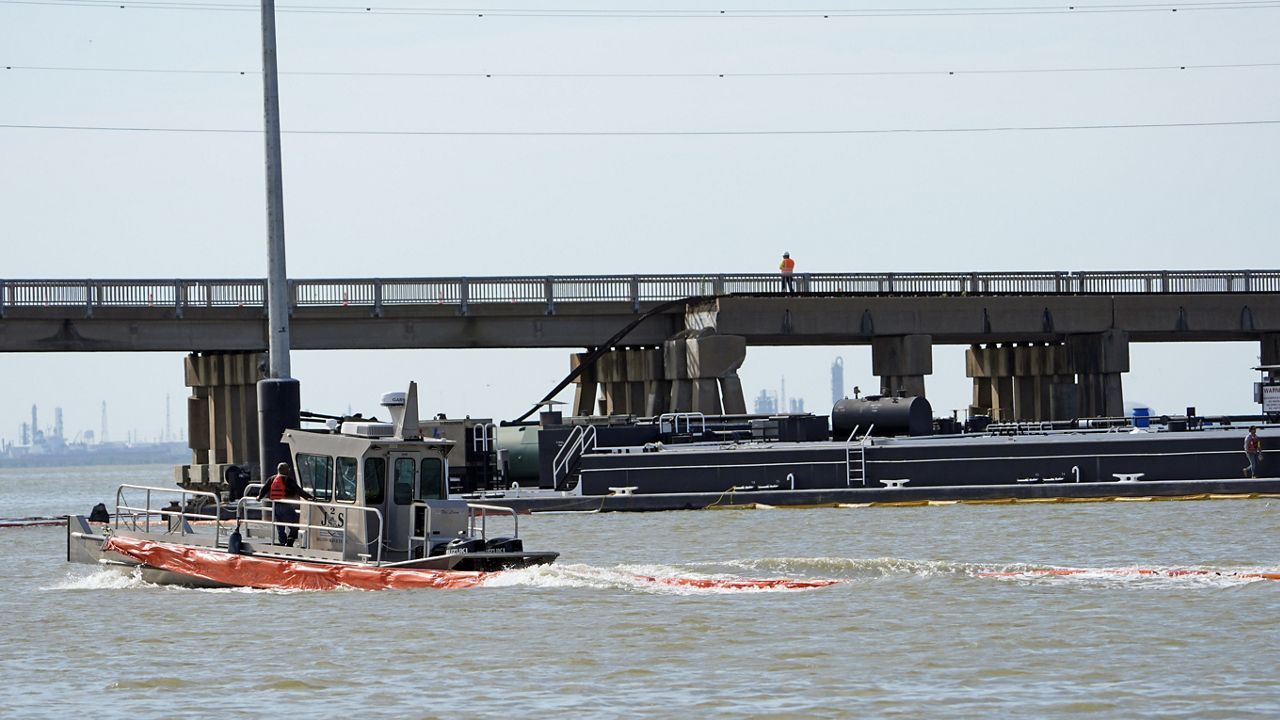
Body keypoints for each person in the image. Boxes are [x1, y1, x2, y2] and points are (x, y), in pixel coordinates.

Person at [257, 462, 314, 546]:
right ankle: (290, 542)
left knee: (280, 527)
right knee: (296, 523)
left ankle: (282, 542)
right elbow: (299, 491)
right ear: (286, 470)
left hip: (275, 506)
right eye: (288, 469)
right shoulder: (288, 480)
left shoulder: (272, 478)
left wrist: (259, 497)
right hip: (286, 506)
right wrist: (310, 498)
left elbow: (264, 489)